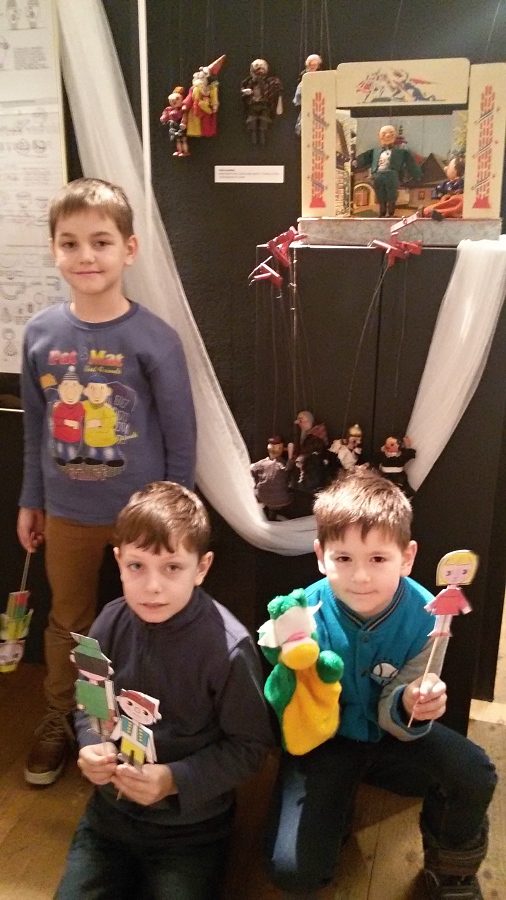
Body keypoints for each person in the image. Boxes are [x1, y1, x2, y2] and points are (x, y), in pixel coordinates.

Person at [17, 177, 197, 787]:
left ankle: (142, 721)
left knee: (149, 619)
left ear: (129, 248)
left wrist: (174, 516)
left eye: (100, 241)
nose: (85, 256)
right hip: (66, 512)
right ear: (54, 249)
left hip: (141, 520)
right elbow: (35, 429)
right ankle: (62, 715)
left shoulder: (155, 339)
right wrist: (31, 499)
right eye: (69, 243)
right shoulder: (40, 334)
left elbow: (181, 436)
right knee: (68, 621)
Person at [265, 471, 496, 900]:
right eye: (343, 558)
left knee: (474, 772)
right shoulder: (301, 613)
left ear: (407, 558)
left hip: (392, 734)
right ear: (320, 556)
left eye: (377, 559)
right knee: (293, 872)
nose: (360, 577)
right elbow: (288, 694)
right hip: (326, 737)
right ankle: (337, 805)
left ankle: (451, 871)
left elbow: (408, 698)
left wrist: (413, 703)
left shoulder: (429, 616)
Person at [56, 481, 273, 900]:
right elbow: (90, 701)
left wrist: (175, 780)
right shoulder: (107, 623)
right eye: (137, 566)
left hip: (191, 831)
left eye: (172, 567)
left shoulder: (228, 649)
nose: (152, 586)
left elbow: (250, 747)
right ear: (118, 561)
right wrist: (92, 744)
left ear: (201, 568)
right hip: (109, 819)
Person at [354, 124, 422, 217]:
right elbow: (365, 158)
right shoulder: (375, 151)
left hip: (392, 174)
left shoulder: (401, 152)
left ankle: (391, 212)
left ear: (394, 137)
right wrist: (356, 162)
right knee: (380, 193)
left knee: (392, 193)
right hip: (378, 174)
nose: (387, 136)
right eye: (384, 134)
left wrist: (417, 174)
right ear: (379, 137)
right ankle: (382, 212)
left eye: (391, 134)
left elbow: (410, 162)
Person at [250, 434, 295, 521]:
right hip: (281, 500)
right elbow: (289, 466)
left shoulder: (261, 464)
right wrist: (290, 456)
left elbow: (252, 470)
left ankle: (270, 514)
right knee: (291, 494)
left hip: (262, 498)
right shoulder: (282, 465)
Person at [420, 156, 465, 220]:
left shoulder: (463, 182)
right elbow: (437, 195)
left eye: (449, 167)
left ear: (455, 170)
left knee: (458, 200)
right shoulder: (445, 184)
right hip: (446, 203)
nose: (446, 168)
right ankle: (437, 213)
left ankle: (441, 213)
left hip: (456, 203)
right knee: (443, 202)